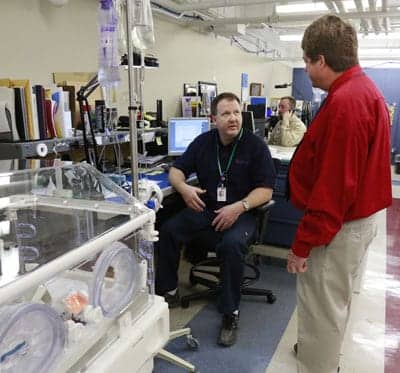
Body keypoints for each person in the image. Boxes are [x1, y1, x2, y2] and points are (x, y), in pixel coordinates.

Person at [286, 15, 392, 373]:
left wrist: (303, 245)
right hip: (358, 222)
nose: (306, 68)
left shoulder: (346, 102)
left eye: (306, 60)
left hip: (337, 230)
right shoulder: (365, 91)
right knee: (333, 307)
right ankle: (325, 358)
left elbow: (333, 189)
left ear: (321, 61)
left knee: (320, 312)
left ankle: (319, 364)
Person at [155, 92, 275, 347]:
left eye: (236, 113)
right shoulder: (203, 143)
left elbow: (266, 190)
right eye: (226, 114)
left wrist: (239, 207)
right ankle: (168, 291)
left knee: (231, 245)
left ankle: (230, 313)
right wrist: (185, 189)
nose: (233, 119)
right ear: (213, 118)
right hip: (207, 209)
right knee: (168, 230)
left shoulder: (255, 147)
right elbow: (176, 170)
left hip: (242, 213)